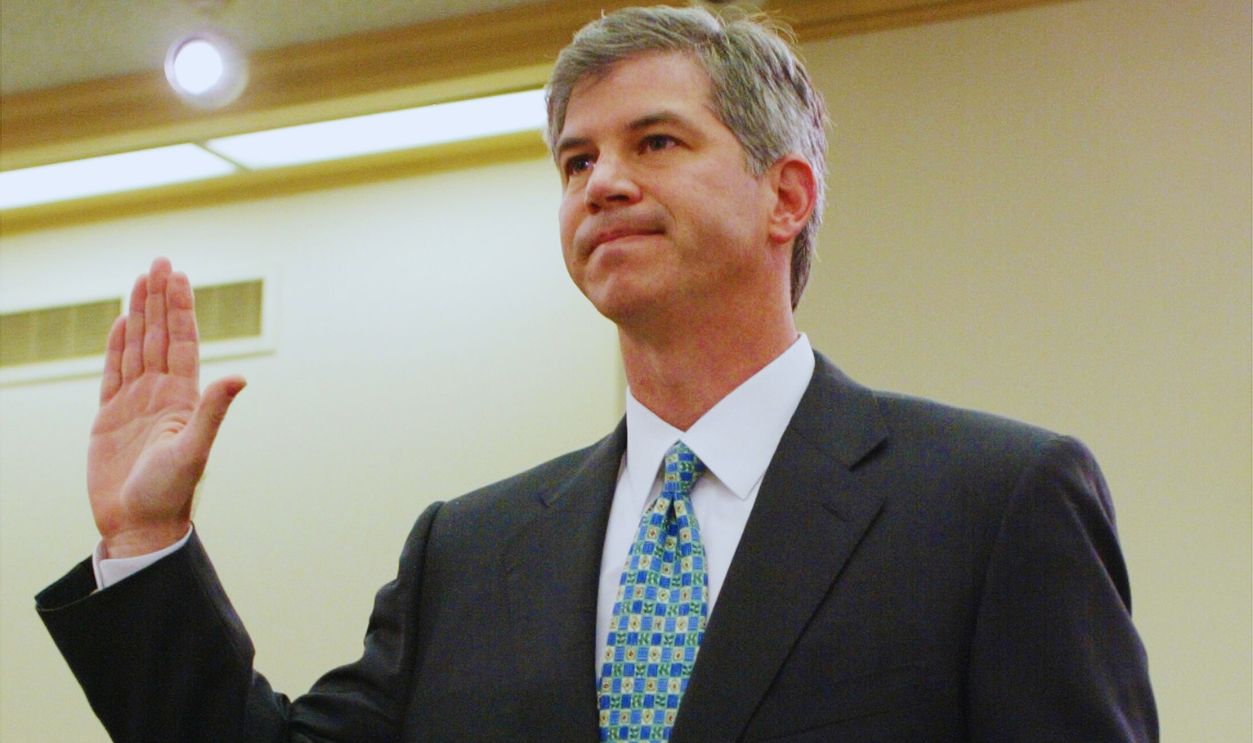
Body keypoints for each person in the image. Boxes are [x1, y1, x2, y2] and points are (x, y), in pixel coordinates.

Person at [36, 5, 1157, 742]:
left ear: (786, 196)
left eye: (655, 143)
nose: (600, 182)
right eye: (576, 160)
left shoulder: (990, 501)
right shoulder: (467, 553)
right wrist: (145, 544)